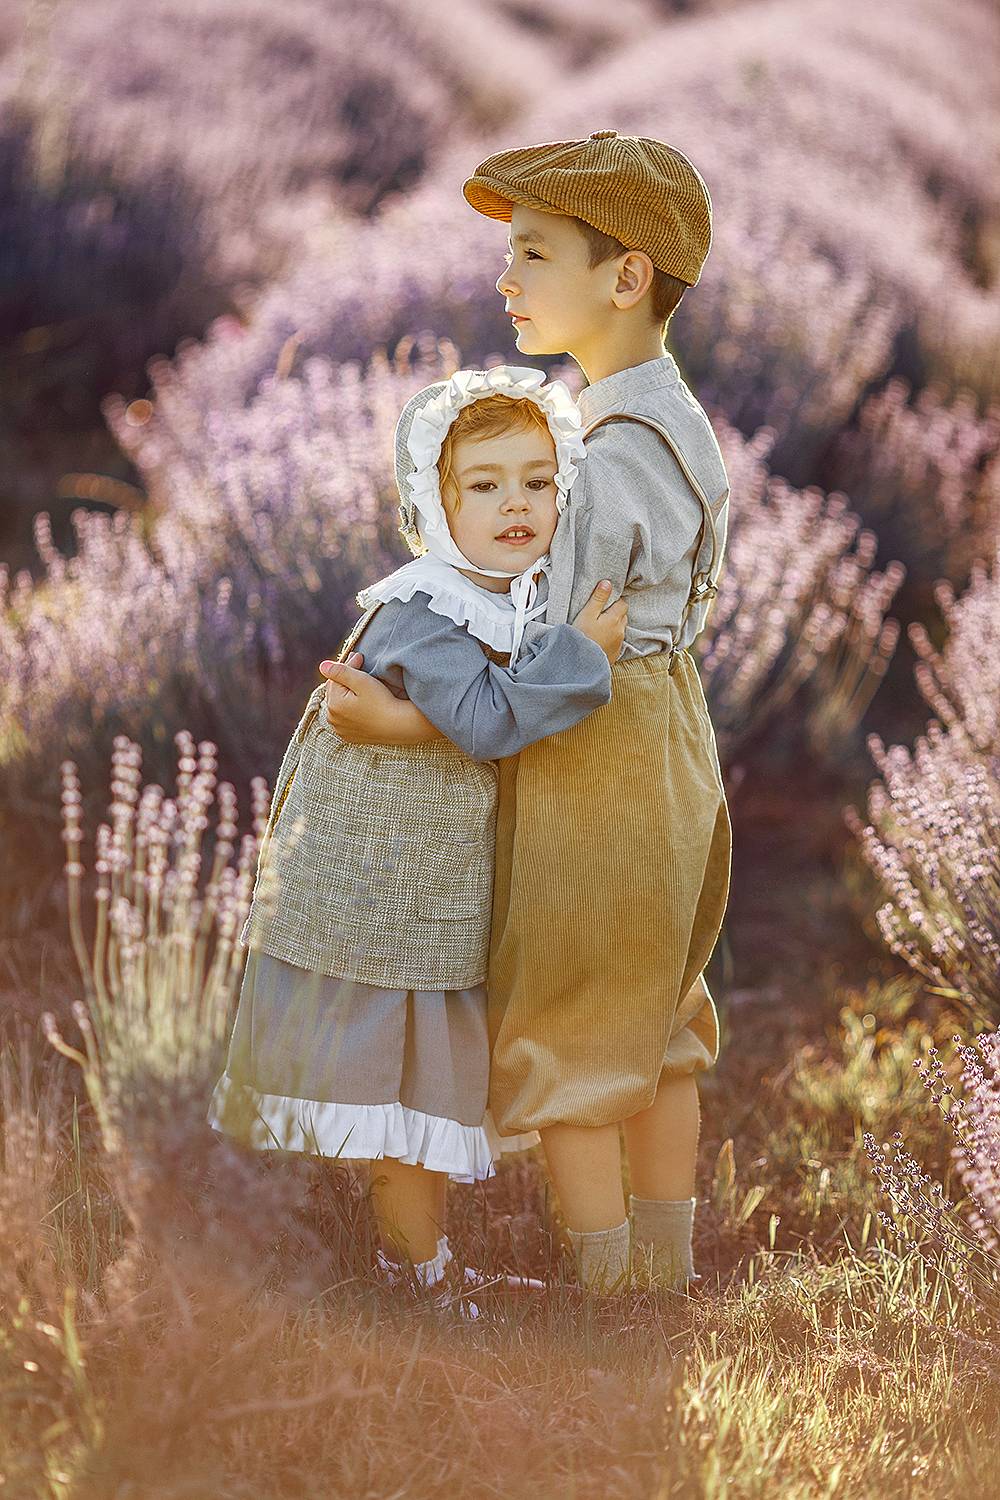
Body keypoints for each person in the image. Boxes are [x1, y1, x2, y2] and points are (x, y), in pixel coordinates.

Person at [320, 131, 732, 1296]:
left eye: (534, 253)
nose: (506, 280)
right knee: (659, 1015)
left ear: (627, 275)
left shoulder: (597, 458)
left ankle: (610, 1302)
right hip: (669, 732)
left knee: (572, 1019)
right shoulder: (679, 424)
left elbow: (542, 668)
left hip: (594, 748)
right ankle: (665, 1269)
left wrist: (403, 719)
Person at [208, 364, 627, 1307]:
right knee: (404, 1103)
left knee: (407, 1096)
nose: (516, 503)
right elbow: (484, 721)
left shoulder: (498, 596)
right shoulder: (428, 607)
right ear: (434, 506)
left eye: (536, 480)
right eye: (483, 485)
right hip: (380, 901)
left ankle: (398, 1261)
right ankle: (408, 1275)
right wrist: (582, 657)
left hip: (418, 891)